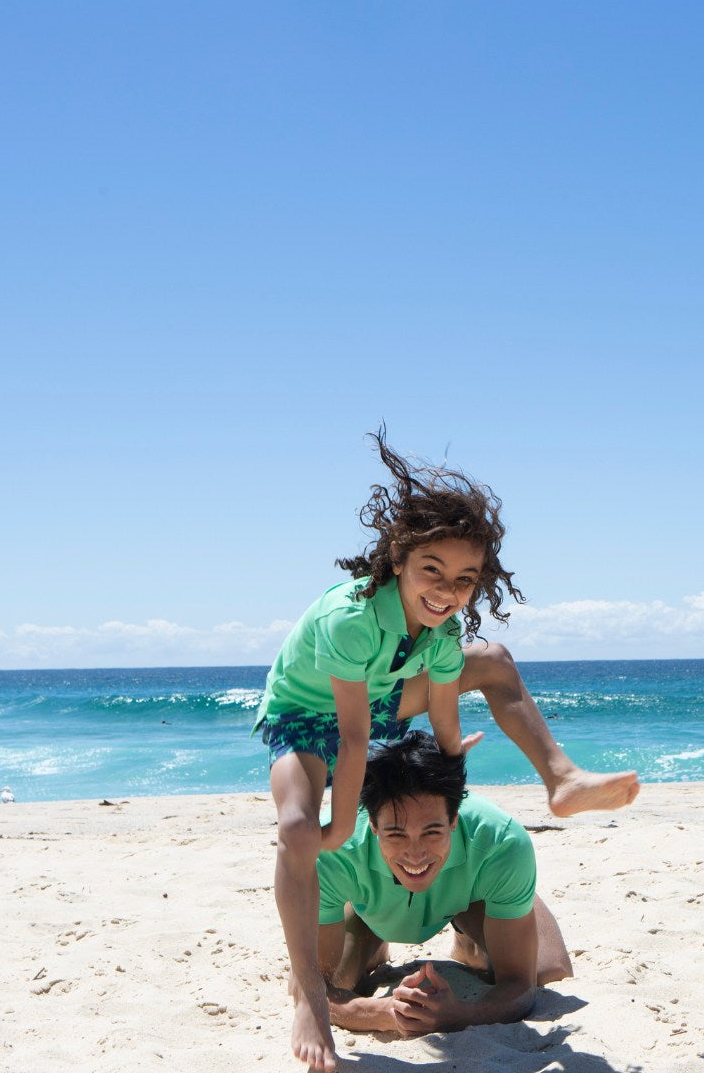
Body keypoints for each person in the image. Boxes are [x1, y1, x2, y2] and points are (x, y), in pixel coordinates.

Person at [254, 429, 637, 1068]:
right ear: (399, 559)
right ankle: (311, 1002)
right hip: (305, 714)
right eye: (432, 570)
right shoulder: (350, 618)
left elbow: (438, 703)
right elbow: (351, 739)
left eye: (464, 579)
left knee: (491, 661)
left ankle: (562, 777)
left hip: (377, 698)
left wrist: (454, 752)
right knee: (297, 829)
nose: (447, 588)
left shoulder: (443, 627)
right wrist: (342, 822)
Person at [314, 731, 572, 1058]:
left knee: (548, 972)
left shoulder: (502, 841)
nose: (415, 853)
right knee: (338, 982)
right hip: (368, 906)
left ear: (453, 819)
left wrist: (458, 1015)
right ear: (374, 826)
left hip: (468, 898)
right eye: (395, 834)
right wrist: (380, 1013)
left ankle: (473, 940)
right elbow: (308, 988)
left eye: (431, 831)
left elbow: (520, 986)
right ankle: (373, 942)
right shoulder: (330, 848)